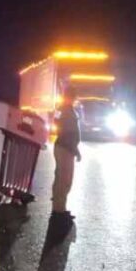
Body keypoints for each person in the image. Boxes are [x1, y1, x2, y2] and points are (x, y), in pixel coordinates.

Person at [51, 86, 82, 216]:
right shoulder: (64, 109)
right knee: (63, 180)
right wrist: (75, 149)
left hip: (66, 147)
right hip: (65, 147)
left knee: (63, 179)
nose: (74, 98)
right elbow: (64, 129)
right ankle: (59, 210)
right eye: (73, 96)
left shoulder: (66, 109)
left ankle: (60, 207)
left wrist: (75, 148)